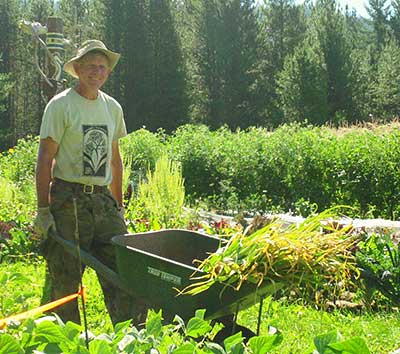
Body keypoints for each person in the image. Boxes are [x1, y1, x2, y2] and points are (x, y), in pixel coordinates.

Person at [34, 40, 147, 326]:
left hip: (102, 202)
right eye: (90, 66)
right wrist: (44, 210)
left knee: (125, 269)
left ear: (108, 72)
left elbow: (115, 160)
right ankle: (60, 338)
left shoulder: (112, 108)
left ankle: (132, 335)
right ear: (78, 70)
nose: (96, 72)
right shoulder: (61, 106)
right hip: (68, 200)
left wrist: (119, 206)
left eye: (102, 67)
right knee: (65, 276)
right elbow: (45, 159)